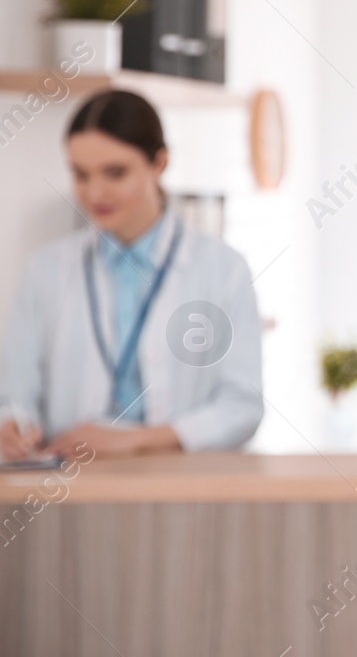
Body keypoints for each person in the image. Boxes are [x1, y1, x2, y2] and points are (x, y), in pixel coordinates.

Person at [0, 90, 263, 460]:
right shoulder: (46, 269)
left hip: (178, 485)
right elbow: (14, 392)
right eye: (80, 174)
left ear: (159, 163)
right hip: (67, 489)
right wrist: (13, 424)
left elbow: (242, 408)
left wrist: (139, 439)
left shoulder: (223, 268)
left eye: (115, 172)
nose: (94, 192)